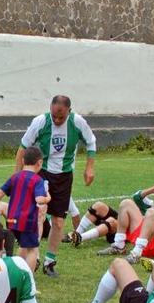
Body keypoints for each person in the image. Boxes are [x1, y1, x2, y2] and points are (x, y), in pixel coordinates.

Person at [16, 95, 97, 278]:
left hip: (64, 176)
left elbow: (91, 142)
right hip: (42, 173)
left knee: (59, 221)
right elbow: (23, 147)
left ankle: (49, 262)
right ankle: (33, 256)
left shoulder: (77, 122)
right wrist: (18, 176)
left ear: (69, 111)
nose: (57, 120)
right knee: (38, 215)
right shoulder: (41, 122)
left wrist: (89, 167)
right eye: (54, 116)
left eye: (61, 117)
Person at [0, 146, 50, 271]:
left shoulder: (15, 177)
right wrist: (47, 198)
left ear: (23, 161)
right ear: (40, 163)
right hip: (27, 221)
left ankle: (14, 271)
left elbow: (0, 192)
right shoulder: (37, 180)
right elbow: (39, 200)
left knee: (23, 245)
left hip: (11, 220)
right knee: (32, 250)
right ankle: (29, 282)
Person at [70, 188, 154, 247]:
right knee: (98, 206)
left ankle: (80, 238)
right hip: (125, 219)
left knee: (111, 221)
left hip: (131, 230)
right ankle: (75, 235)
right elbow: (137, 196)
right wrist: (152, 190)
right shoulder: (152, 206)